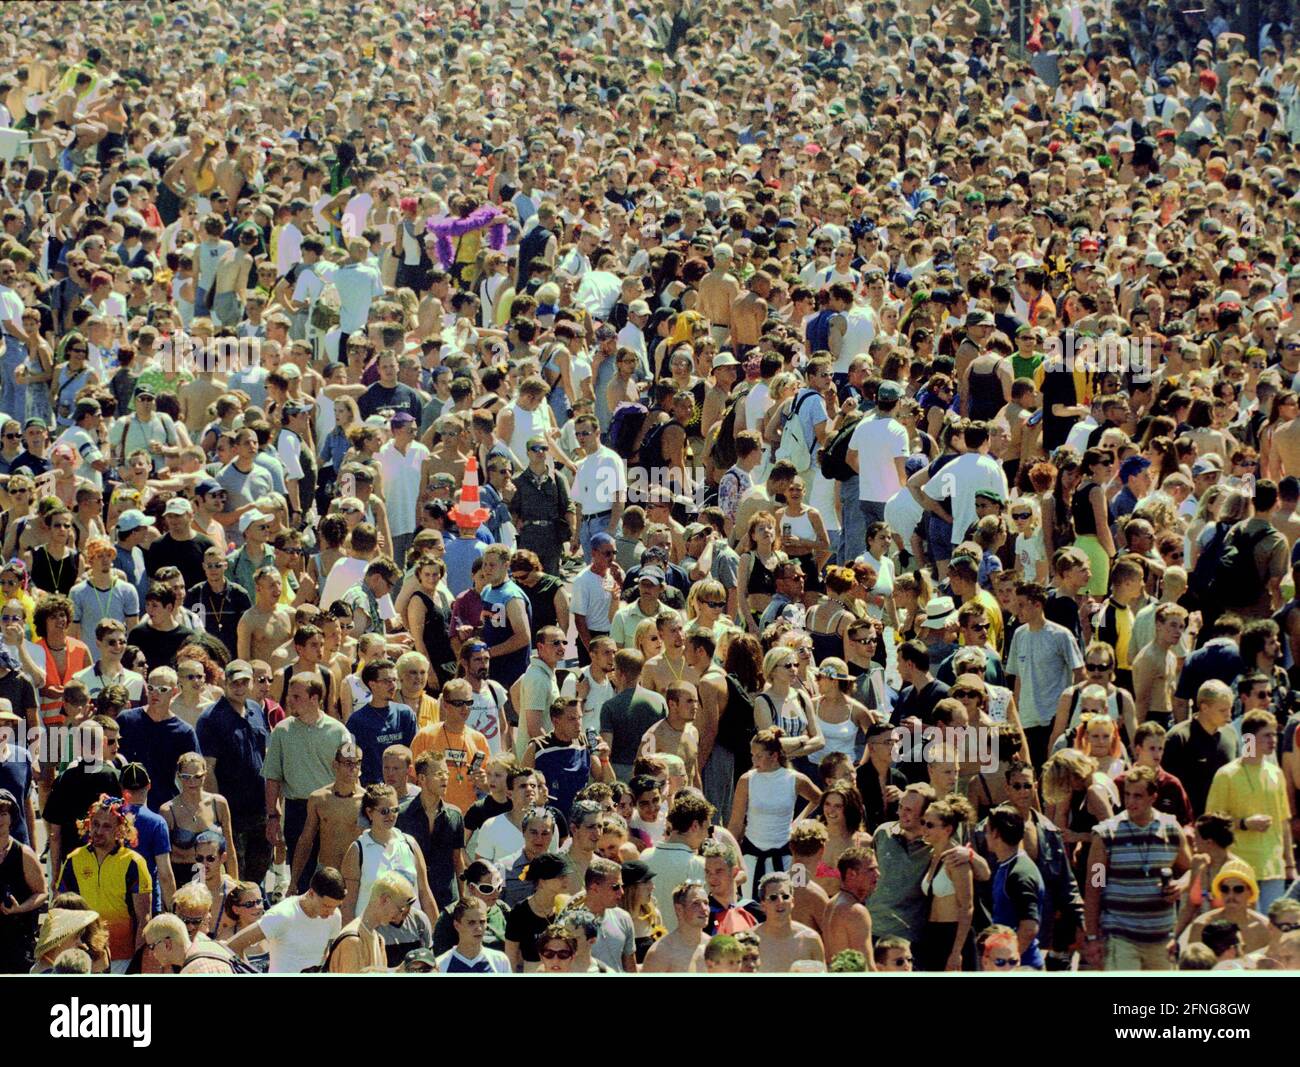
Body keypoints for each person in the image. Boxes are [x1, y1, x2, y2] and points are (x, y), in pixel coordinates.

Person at [1083, 766, 1192, 971]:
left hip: (1162, 938)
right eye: (1127, 795)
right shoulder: (1106, 834)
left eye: (1138, 796)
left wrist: (1182, 884)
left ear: (1153, 797)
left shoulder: (1171, 828)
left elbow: (1191, 869)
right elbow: (1094, 887)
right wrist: (1092, 937)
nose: (1130, 801)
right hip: (1120, 936)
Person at [1205, 710, 1296, 910]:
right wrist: (1244, 824)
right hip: (1239, 867)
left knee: (1272, 928)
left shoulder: (1276, 773)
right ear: (1248, 739)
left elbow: (1284, 822)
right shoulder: (1226, 775)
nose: (1273, 740)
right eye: (1266, 735)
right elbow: (1211, 823)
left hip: (1273, 868)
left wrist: (1289, 864)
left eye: (1274, 734)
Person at [56, 795, 152, 971]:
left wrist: (137, 964)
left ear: (120, 830)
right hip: (84, 956)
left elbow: (144, 917)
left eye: (107, 826)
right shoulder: (74, 859)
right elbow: (60, 910)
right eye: (95, 824)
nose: (98, 831)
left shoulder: (134, 862)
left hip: (123, 958)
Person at [728, 729, 822, 891]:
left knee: (786, 900)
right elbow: (736, 823)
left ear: (774, 756)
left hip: (785, 854)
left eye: (759, 756)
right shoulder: (746, 780)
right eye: (752, 755)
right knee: (750, 905)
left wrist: (799, 821)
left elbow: (819, 799)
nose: (754, 760)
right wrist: (728, 854)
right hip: (751, 854)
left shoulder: (795, 779)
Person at [225, 866, 347, 973]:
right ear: (311, 893)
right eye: (326, 906)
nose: (331, 912)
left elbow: (326, 955)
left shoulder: (335, 916)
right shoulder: (282, 915)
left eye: (336, 906)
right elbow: (232, 946)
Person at [640, 791, 712, 935]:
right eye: (707, 828)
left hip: (649, 946)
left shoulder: (644, 857)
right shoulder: (700, 865)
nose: (707, 836)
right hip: (683, 948)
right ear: (695, 826)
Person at [641, 880, 711, 973]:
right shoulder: (661, 953)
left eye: (706, 903)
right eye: (696, 904)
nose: (704, 909)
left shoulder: (712, 947)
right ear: (679, 909)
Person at [436, 897, 511, 973]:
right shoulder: (441, 965)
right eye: (471, 923)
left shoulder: (500, 961)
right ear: (457, 925)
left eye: (482, 922)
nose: (478, 928)